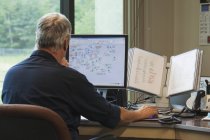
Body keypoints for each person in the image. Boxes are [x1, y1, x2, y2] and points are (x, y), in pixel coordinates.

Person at [2, 13, 158, 140]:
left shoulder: (11, 74)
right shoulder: (68, 78)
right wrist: (140, 113)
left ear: (38, 39)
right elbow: (113, 116)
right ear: (65, 43)